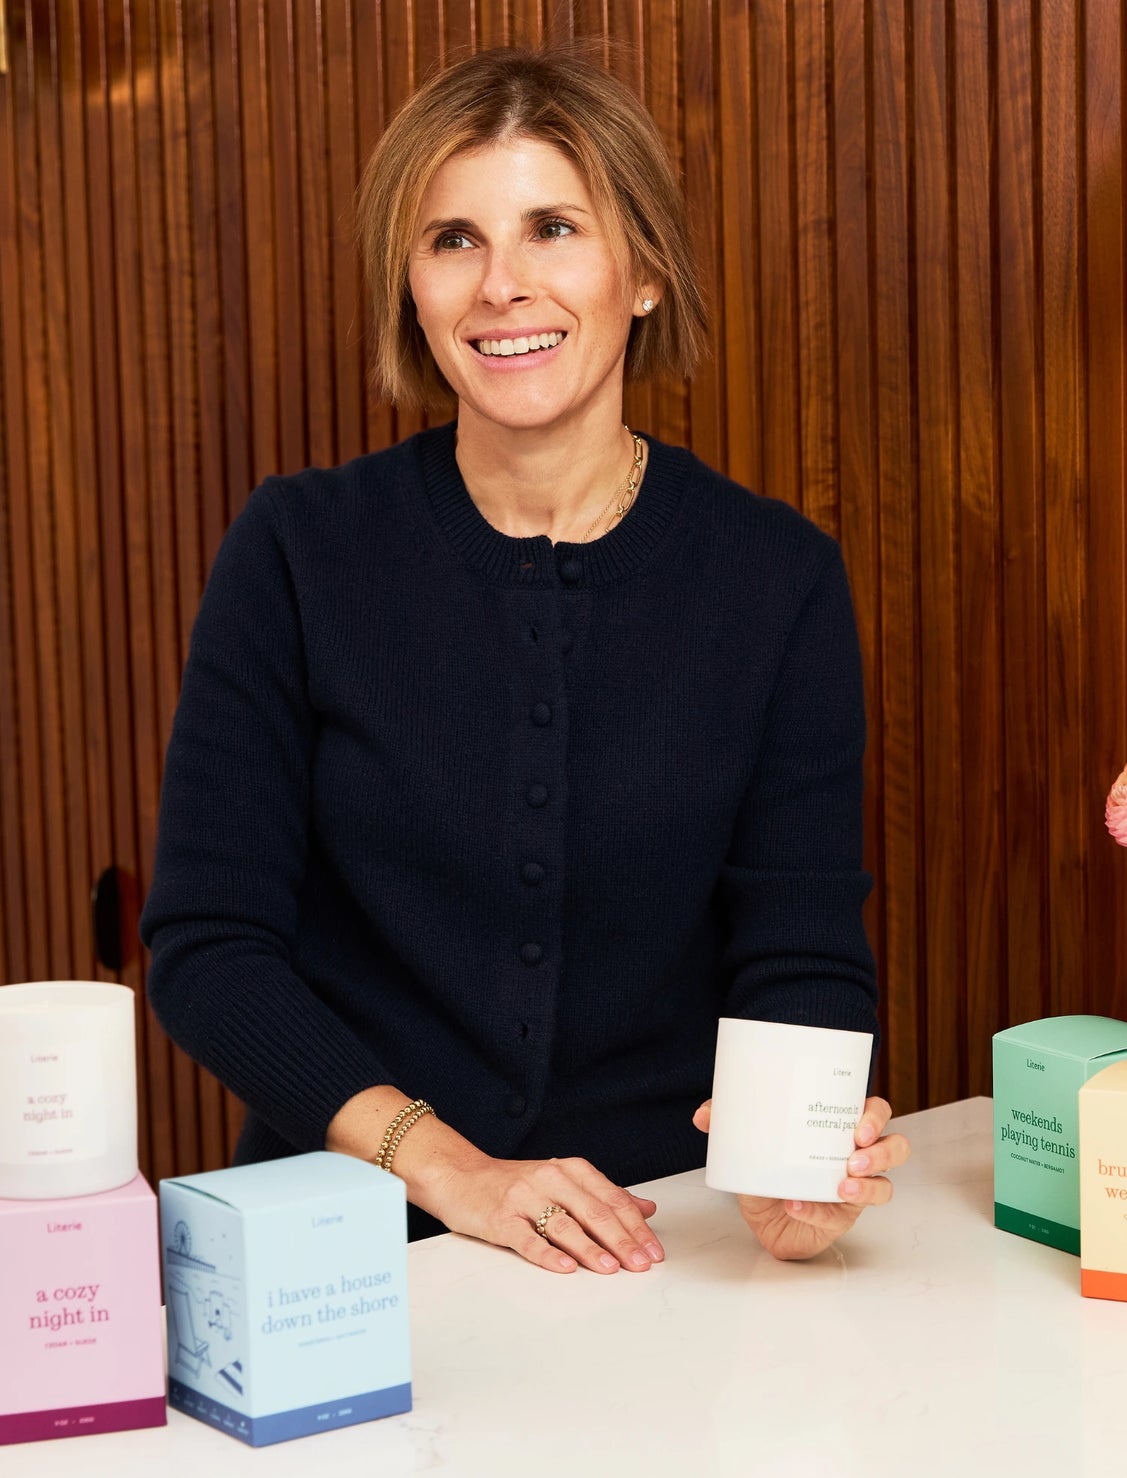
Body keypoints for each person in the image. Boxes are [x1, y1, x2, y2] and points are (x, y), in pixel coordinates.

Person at [142, 46, 908, 1276]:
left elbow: (799, 943)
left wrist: (797, 1164)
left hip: (659, 1245)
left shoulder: (777, 578)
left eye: (552, 227)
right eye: (453, 239)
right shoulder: (297, 547)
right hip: (339, 1257)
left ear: (643, 270)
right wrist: (450, 1168)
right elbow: (209, 946)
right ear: (413, 284)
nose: (502, 284)